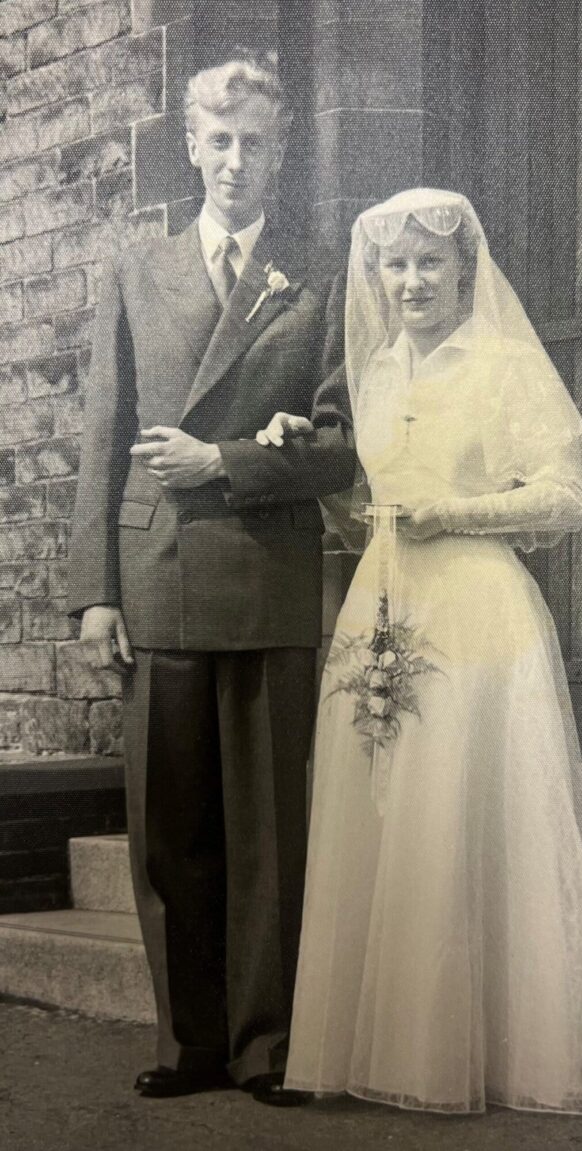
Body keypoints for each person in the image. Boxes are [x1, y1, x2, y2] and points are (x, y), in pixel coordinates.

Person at [266, 188, 582, 1114]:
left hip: (477, 608)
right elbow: (366, 511)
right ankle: (388, 1046)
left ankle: (485, 1051)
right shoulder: (377, 370)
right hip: (385, 608)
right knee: (392, 820)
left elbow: (568, 493)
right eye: (396, 264)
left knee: (463, 812)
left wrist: (454, 514)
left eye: (431, 261)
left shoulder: (503, 363)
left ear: (465, 268)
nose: (413, 279)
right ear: (376, 278)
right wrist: (303, 461)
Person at [67, 54, 354, 1105]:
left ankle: (265, 1046)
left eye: (258, 143)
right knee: (171, 826)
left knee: (271, 831)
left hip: (269, 573)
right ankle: (189, 1039)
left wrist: (225, 463)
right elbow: (103, 438)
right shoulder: (135, 269)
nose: (237, 160)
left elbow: (340, 447)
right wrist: (96, 591)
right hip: (158, 570)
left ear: (281, 153)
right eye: (220, 140)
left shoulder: (320, 273)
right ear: (191, 146)